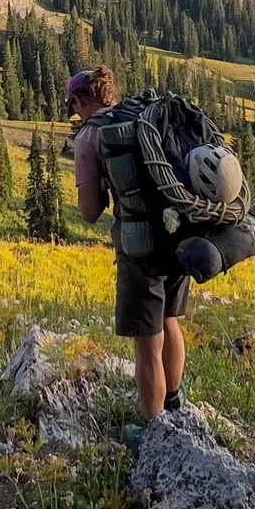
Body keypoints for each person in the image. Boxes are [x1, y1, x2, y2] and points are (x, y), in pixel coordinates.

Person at [68, 66, 187, 422]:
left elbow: (90, 212)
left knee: (147, 341)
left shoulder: (91, 136)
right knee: (170, 321)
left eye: (73, 106)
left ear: (81, 100)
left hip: (139, 245)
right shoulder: (144, 115)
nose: (75, 113)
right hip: (179, 231)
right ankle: (175, 405)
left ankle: (154, 431)